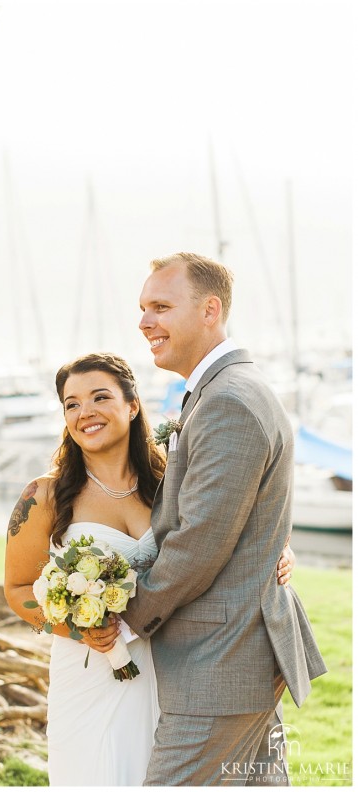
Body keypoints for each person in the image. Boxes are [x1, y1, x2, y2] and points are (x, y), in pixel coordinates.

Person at [4, 351, 296, 786]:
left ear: (133, 404)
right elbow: (18, 587)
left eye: (100, 397)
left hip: (174, 666)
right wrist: (77, 628)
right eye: (72, 403)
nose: (86, 413)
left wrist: (281, 551)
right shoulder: (43, 495)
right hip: (91, 671)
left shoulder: (171, 482)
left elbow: (227, 522)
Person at [103, 252, 327, 786]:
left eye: (160, 306)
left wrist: (123, 616)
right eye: (142, 308)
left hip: (220, 663)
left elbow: (198, 542)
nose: (144, 322)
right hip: (235, 657)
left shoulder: (229, 400)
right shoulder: (221, 392)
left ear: (210, 310)